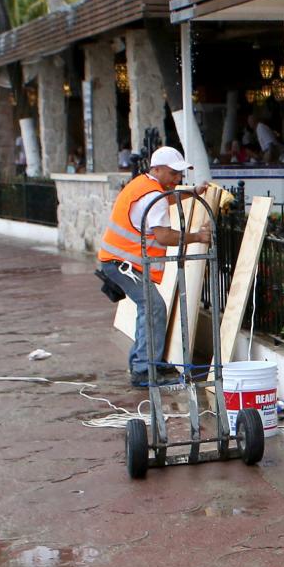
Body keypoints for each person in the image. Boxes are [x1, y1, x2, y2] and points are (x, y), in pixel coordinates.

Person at [96, 145, 212, 386]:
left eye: (179, 174)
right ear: (156, 169)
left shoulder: (145, 185)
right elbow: (164, 236)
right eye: (173, 173)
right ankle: (144, 371)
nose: (177, 178)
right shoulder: (152, 196)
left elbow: (168, 197)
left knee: (149, 306)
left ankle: (144, 363)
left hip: (115, 261)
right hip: (122, 263)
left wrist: (192, 192)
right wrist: (197, 237)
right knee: (154, 306)